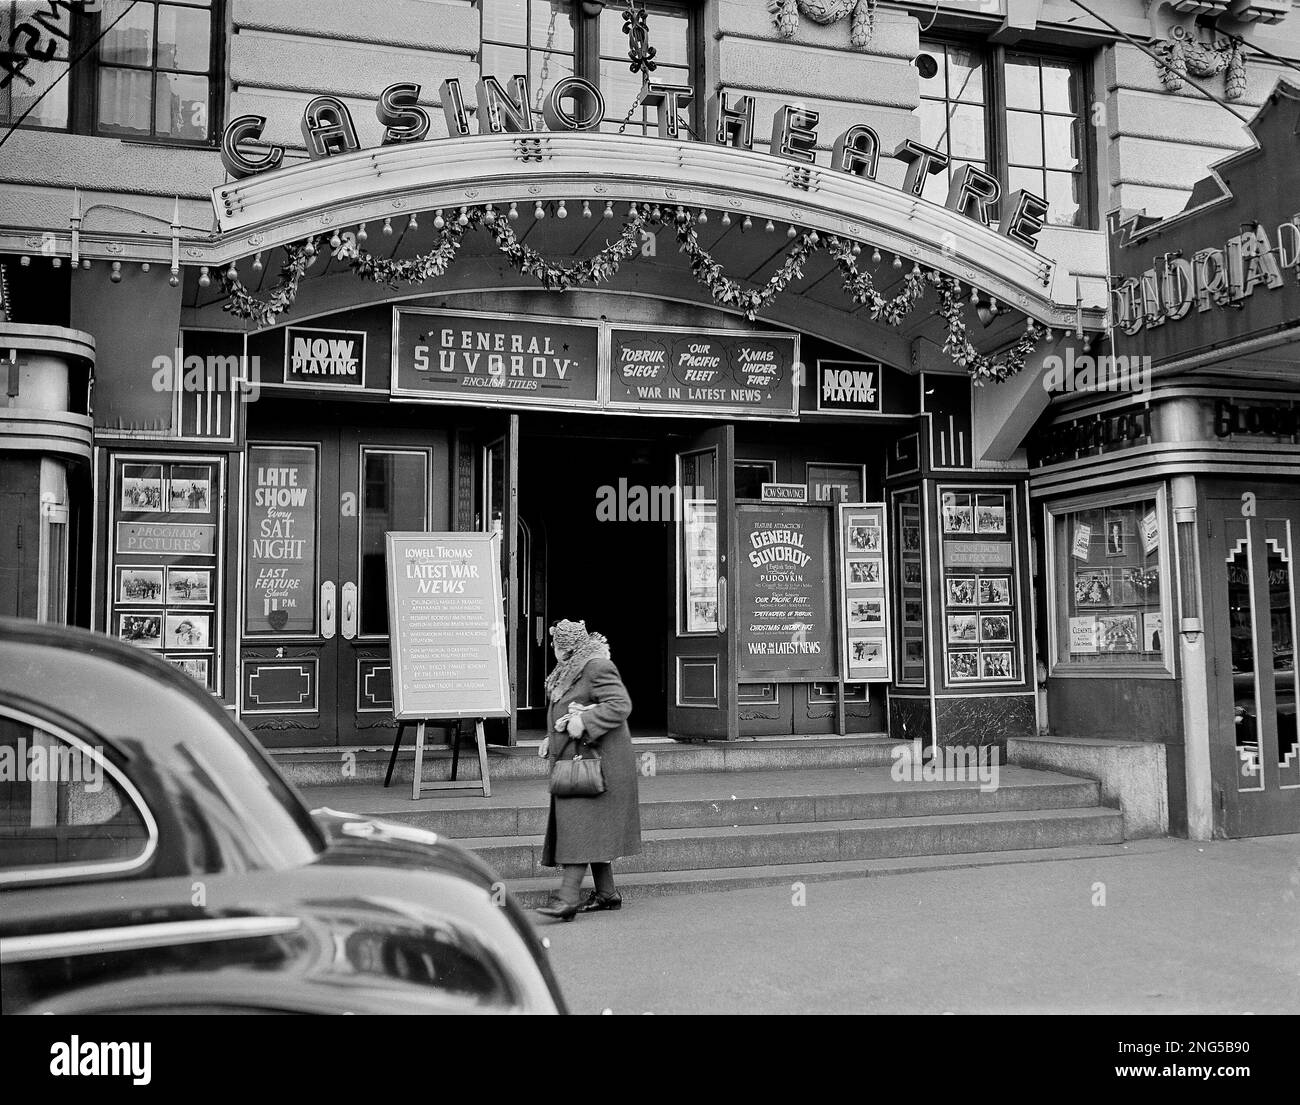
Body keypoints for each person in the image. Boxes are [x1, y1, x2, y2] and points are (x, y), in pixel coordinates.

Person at [535, 619, 642, 922]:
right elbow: (571, 708)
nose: (553, 650)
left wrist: (584, 723)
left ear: (564, 647)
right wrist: (551, 737)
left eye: (555, 645)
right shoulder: (571, 669)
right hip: (583, 761)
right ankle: (607, 894)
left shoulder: (595, 666)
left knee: (579, 826)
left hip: (602, 765)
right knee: (588, 826)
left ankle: (567, 897)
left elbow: (620, 705)